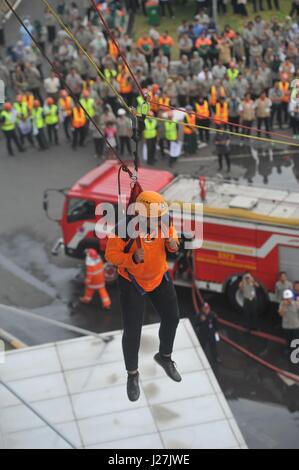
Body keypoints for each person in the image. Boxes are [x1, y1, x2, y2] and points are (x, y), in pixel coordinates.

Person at [105, 191, 181, 402]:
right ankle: (132, 374)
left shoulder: (163, 221)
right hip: (132, 282)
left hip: (158, 277)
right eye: (155, 218)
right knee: (132, 332)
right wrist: (131, 258)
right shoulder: (123, 230)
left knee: (172, 318)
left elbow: (172, 236)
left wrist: (173, 243)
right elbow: (110, 255)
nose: (159, 221)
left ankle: (165, 357)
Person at [278, 289, 299, 355]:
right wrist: (284, 306)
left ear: (291, 297)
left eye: (289, 298)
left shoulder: (296, 304)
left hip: (295, 326)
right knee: (288, 339)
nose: (287, 300)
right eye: (286, 298)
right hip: (286, 326)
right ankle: (287, 349)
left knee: (295, 340)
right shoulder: (282, 304)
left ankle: (295, 351)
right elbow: (281, 314)